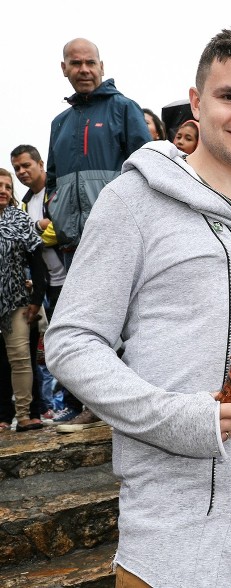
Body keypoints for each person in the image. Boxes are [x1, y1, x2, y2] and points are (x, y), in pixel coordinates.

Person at [45, 28, 231, 587]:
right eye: (229, 96)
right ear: (196, 101)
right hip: (178, 534)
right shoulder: (133, 201)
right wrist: (177, 418)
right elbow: (70, 342)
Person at [46, 37, 150, 268]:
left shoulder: (124, 108)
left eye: (90, 63)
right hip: (71, 244)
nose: (84, 69)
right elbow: (51, 180)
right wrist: (57, 210)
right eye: (75, 63)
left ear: (101, 67)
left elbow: (148, 169)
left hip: (116, 239)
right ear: (64, 69)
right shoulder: (59, 123)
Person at [10, 145, 70, 423]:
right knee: (59, 348)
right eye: (17, 168)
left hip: (72, 276)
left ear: (40, 163)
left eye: (26, 165)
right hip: (49, 287)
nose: (22, 172)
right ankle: (70, 404)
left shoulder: (57, 190)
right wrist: (38, 229)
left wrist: (35, 232)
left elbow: (62, 231)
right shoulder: (24, 203)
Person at [0, 168, 47, 432]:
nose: (4, 190)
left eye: (8, 187)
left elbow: (37, 262)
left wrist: (37, 299)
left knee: (20, 359)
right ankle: (2, 416)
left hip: (16, 303)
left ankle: (25, 415)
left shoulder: (20, 219)